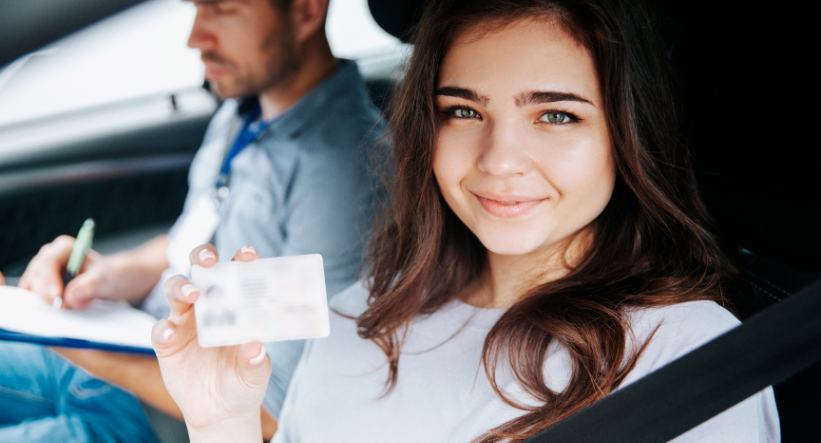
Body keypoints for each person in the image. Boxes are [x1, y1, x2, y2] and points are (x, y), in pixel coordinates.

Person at [152, 0, 780, 441]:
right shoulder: (357, 315)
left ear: (626, 132)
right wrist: (222, 422)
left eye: (556, 115)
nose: (499, 162)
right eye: (463, 112)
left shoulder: (689, 351)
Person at [0, 0, 384, 441]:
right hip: (119, 357)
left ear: (305, 11)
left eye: (221, 10)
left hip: (157, 418)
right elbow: (188, 239)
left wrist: (66, 339)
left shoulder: (344, 177)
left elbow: (277, 412)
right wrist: (111, 274)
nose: (194, 38)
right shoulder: (244, 112)